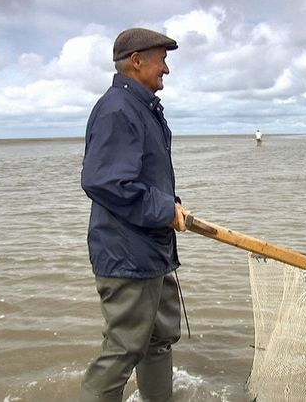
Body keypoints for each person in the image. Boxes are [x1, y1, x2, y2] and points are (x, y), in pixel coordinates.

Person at [79, 27, 189, 402]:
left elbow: (142, 177)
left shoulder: (142, 108)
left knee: (159, 339)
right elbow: (104, 181)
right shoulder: (117, 110)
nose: (167, 70)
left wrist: (170, 208)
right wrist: (164, 208)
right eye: (162, 60)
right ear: (136, 61)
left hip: (153, 250)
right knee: (124, 348)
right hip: (126, 255)